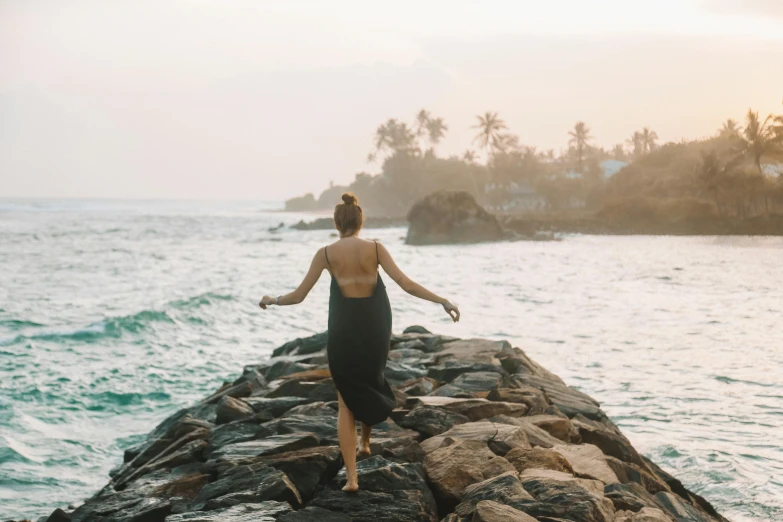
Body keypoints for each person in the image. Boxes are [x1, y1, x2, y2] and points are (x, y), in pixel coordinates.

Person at [259, 192, 459, 492]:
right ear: (360, 220)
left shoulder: (325, 253)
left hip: (344, 330)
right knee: (372, 380)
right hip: (375, 326)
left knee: (345, 401)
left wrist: (272, 299)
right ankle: (365, 442)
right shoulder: (376, 249)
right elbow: (405, 283)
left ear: (336, 222)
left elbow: (298, 296)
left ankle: (352, 478)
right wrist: (441, 300)